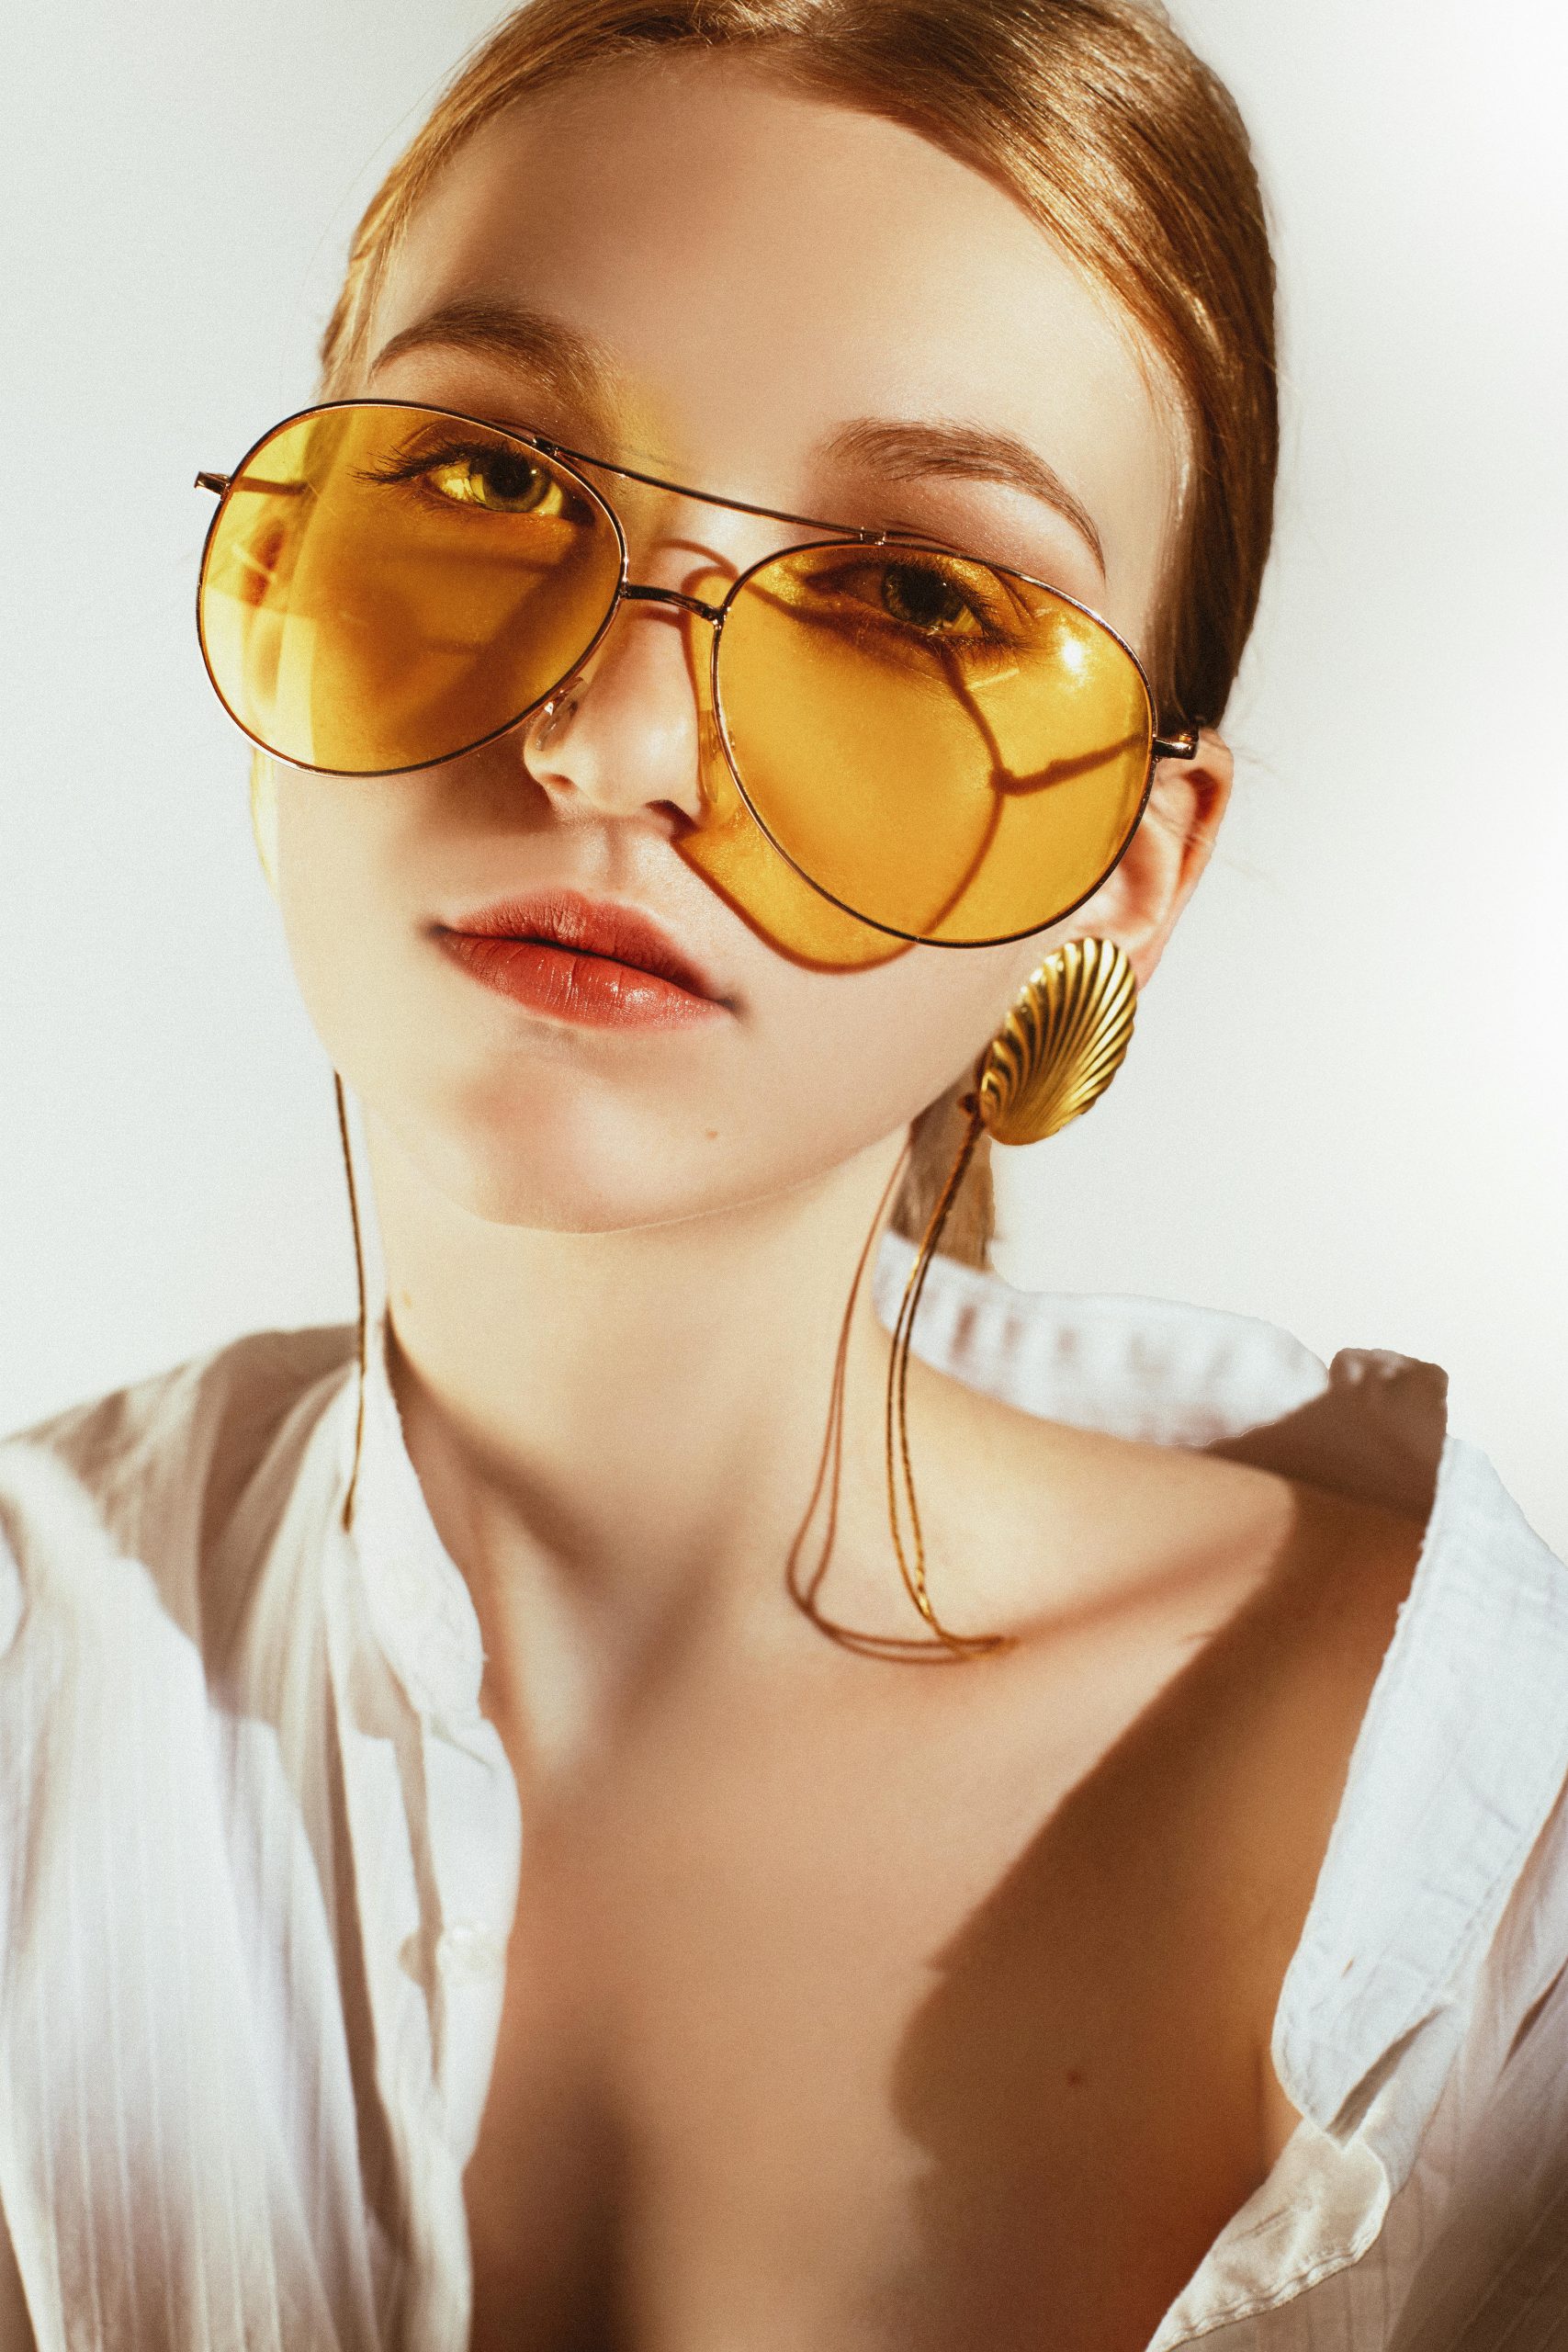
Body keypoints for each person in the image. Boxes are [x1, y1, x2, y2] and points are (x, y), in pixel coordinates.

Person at [2, 2, 1565, 2346]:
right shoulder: (38, 1685)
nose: (612, 736)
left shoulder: (1483, 1829)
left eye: (921, 598)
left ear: (1135, 863)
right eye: (494, 479)